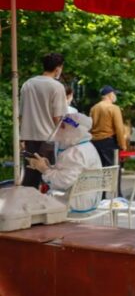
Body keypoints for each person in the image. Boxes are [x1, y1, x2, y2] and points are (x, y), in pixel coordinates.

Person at [26, 113, 102, 212]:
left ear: (73, 130)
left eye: (63, 126)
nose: (59, 130)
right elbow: (70, 173)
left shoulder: (74, 152)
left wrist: (44, 170)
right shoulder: (86, 146)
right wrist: (48, 166)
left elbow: (63, 183)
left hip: (75, 204)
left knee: (29, 205)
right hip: (89, 200)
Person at [19, 53, 68, 188]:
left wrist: (21, 138)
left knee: (30, 178)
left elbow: (21, 114)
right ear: (58, 68)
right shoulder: (57, 87)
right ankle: (45, 207)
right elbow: (58, 118)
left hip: (29, 138)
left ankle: (28, 207)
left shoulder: (27, 84)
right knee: (48, 178)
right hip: (49, 140)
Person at [90, 85, 127, 167]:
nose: (115, 96)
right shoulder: (114, 108)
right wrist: (122, 144)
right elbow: (119, 128)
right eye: (114, 94)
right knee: (112, 171)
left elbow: (90, 126)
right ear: (110, 94)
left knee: (98, 169)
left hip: (94, 143)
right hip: (109, 142)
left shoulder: (93, 108)